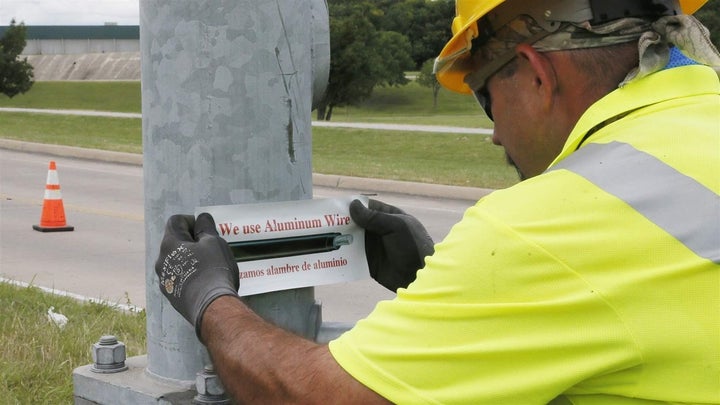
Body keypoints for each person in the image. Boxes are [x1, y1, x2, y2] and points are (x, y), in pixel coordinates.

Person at [155, 0, 720, 403]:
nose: (495, 136)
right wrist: (440, 280)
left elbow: (325, 398)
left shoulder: (549, 227)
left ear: (537, 72)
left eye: (485, 98)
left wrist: (209, 300)